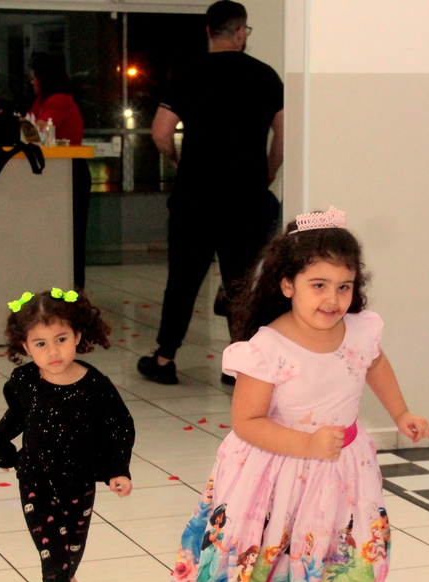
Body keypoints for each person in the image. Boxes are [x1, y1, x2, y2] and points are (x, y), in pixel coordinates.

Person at [170, 208, 429, 582]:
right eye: (318, 285)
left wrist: (401, 413)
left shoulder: (359, 330)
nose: (333, 299)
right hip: (272, 472)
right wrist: (309, 445)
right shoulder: (268, 346)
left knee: (338, 561)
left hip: (342, 471)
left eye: (344, 286)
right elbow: (247, 421)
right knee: (259, 561)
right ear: (287, 284)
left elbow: (375, 365)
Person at [0, 288, 135, 582]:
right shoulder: (25, 382)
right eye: (40, 344)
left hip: (79, 481)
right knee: (52, 561)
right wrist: (1, 450)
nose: (53, 352)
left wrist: (118, 469)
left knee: (71, 550)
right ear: (25, 347)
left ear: (78, 337)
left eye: (61, 340)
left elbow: (119, 428)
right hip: (35, 480)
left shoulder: (95, 385)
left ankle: (67, 576)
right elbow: (13, 420)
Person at [139, 1, 284, 386]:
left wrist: (177, 160)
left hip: (196, 198)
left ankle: (164, 359)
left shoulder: (188, 73)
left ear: (208, 31)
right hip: (247, 200)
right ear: (239, 32)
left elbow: (160, 132)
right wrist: (267, 173)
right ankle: (240, 366)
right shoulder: (266, 76)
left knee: (183, 281)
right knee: (241, 284)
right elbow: (283, 135)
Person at [28, 52, 91, 290]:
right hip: (56, 174)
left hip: (70, 171)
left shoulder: (58, 101)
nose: (31, 82)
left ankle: (75, 288)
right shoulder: (42, 101)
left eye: (34, 77)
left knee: (71, 235)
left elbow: (37, 130)